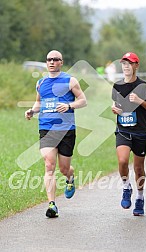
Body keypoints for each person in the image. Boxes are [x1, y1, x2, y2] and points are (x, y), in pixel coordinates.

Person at [25, 50, 87, 218]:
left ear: (61, 62)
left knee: (64, 168)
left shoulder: (70, 80)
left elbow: (83, 100)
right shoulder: (41, 83)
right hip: (46, 128)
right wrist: (32, 111)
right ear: (46, 62)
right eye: (49, 59)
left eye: (55, 59)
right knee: (49, 165)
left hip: (66, 129)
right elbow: (39, 102)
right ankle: (52, 205)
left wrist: (69, 106)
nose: (52, 62)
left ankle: (70, 178)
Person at [111, 52, 146, 216]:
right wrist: (114, 109)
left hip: (139, 132)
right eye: (123, 63)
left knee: (139, 168)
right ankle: (126, 187)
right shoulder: (117, 86)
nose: (126, 66)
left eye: (129, 63)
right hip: (123, 130)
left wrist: (140, 101)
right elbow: (116, 104)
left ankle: (140, 197)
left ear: (136, 66)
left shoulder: (144, 87)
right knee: (123, 161)